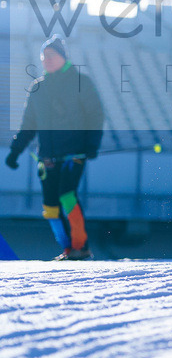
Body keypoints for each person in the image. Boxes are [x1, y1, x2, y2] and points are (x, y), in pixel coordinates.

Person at [6, 36, 105, 260]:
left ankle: (81, 247)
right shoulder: (38, 87)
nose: (46, 59)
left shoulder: (81, 82)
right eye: (43, 56)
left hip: (74, 154)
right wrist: (15, 151)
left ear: (63, 57)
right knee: (50, 206)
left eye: (51, 55)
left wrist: (92, 144)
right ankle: (68, 249)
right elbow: (28, 124)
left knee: (67, 195)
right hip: (47, 158)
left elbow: (95, 114)